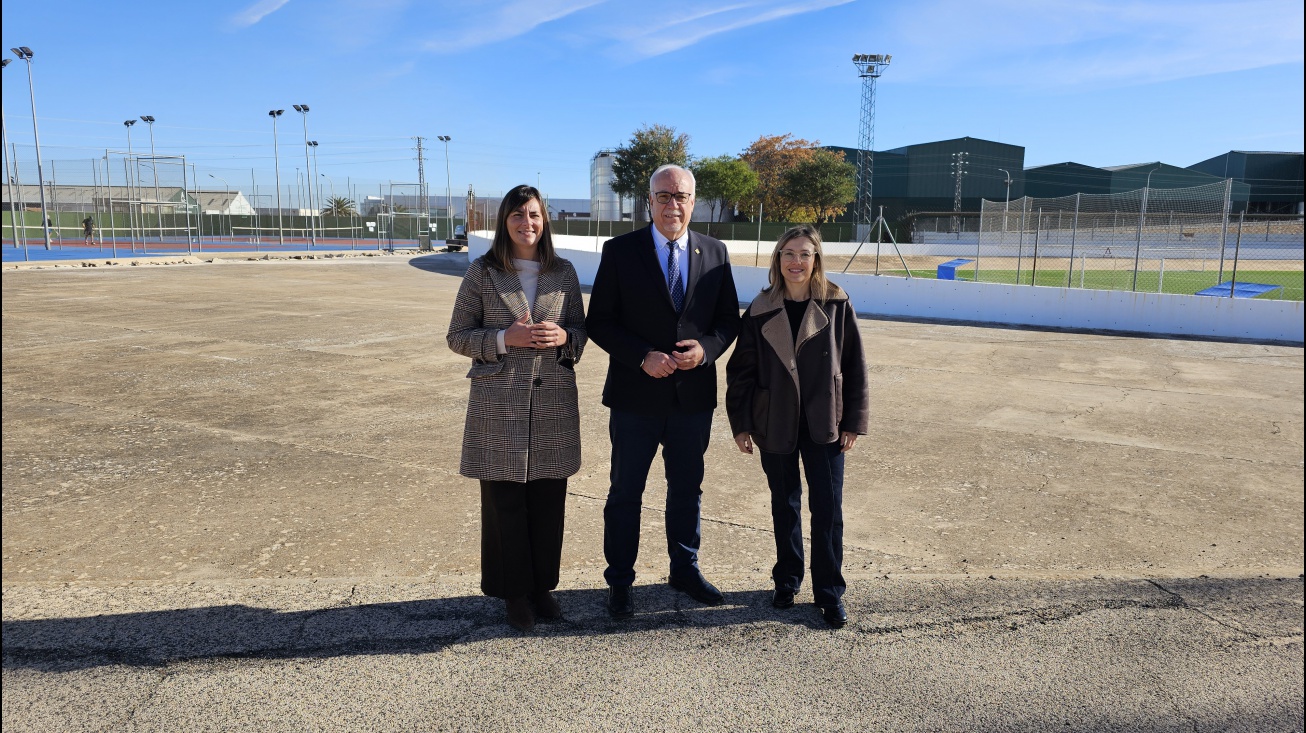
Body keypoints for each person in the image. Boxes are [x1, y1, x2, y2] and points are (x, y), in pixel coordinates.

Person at [586, 164, 741, 618]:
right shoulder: (619, 251)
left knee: (687, 489)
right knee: (625, 492)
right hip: (635, 398)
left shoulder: (715, 251)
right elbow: (600, 322)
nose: (673, 204)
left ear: (694, 202)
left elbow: (728, 320)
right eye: (664, 196)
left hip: (691, 399)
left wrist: (707, 351)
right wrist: (641, 356)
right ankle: (619, 580)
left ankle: (684, 569)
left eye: (681, 196)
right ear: (649, 201)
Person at [446, 184, 587, 633]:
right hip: (498, 404)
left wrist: (565, 338)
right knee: (505, 503)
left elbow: (581, 332)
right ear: (504, 222)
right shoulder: (482, 273)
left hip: (552, 404)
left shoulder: (563, 272)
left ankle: (542, 587)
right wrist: (507, 339)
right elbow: (457, 336)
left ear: (544, 221)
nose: (527, 223)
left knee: (548, 500)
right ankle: (513, 595)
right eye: (517, 216)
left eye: (534, 215)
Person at [725, 225, 869, 628]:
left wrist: (854, 420)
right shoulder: (759, 308)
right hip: (775, 422)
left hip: (827, 423)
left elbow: (855, 365)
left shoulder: (837, 303)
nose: (796, 261)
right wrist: (741, 424)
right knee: (783, 505)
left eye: (805, 254)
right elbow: (741, 373)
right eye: (788, 253)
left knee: (828, 508)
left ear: (816, 259)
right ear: (777, 259)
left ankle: (829, 593)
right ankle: (786, 581)